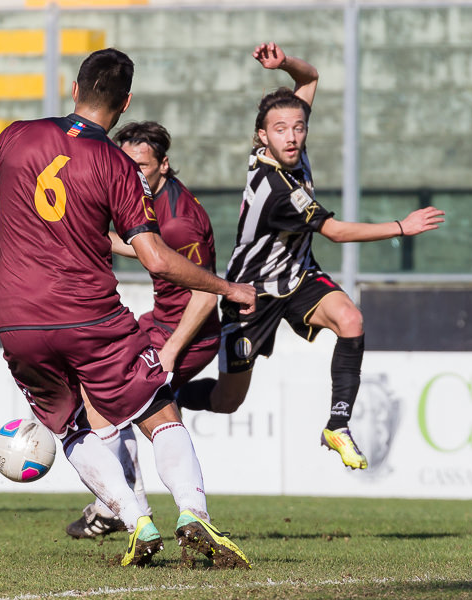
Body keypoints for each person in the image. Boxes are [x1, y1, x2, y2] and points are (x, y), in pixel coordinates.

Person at [0, 48, 255, 569]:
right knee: (158, 410)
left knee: (72, 428)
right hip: (91, 319)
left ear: (75, 89)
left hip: (20, 322)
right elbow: (158, 260)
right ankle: (193, 513)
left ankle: (135, 519)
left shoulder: (15, 135)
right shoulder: (117, 164)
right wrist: (226, 288)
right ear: (126, 101)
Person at [175, 42, 445, 470]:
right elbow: (335, 232)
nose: (292, 136)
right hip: (251, 292)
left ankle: (337, 425)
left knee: (351, 319)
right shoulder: (278, 189)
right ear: (262, 136)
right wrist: (400, 227)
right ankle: (165, 400)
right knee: (227, 401)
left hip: (298, 275)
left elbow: (310, 78)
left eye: (298, 127)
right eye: (280, 129)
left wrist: (285, 65)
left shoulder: (288, 146)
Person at [66, 121, 221, 539]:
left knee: (106, 391)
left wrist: (170, 352)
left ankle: (125, 507)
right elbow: (138, 245)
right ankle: (129, 504)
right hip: (158, 322)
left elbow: (206, 296)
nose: (133, 174)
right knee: (117, 395)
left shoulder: (181, 222)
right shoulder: (145, 200)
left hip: (188, 333)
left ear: (164, 166)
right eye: (126, 164)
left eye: (142, 166)